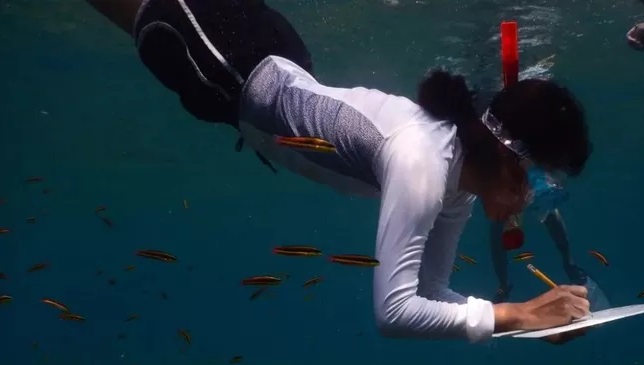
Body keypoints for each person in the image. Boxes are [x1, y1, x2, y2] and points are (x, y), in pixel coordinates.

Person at [83, 0, 593, 344]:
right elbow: (393, 313)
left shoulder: (459, 180)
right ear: (508, 155)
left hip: (272, 58)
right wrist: (519, 314)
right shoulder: (422, 165)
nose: (536, 199)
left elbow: (431, 294)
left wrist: (525, 320)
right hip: (229, 64)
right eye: (540, 179)